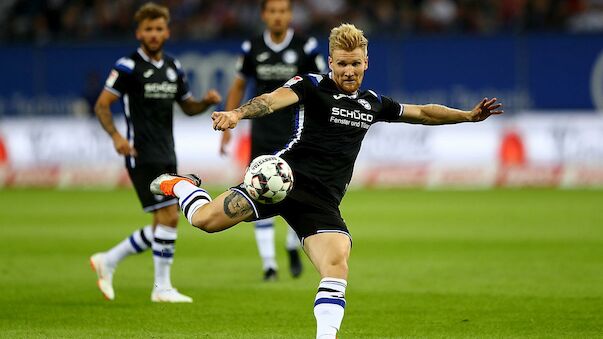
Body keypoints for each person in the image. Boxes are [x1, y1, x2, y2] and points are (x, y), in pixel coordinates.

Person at [150, 23, 502, 337]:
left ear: (366, 63)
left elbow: (423, 112)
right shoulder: (310, 85)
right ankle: (181, 185)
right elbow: (271, 101)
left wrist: (469, 116)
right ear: (331, 63)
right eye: (342, 63)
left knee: (337, 262)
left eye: (356, 63)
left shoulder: (372, 103)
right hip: (278, 182)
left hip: (321, 201)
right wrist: (236, 113)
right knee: (203, 221)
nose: (349, 71)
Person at [90, 2, 221, 303]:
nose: (154, 34)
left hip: (166, 153)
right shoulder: (128, 66)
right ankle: (161, 288)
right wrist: (116, 137)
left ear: (167, 32)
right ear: (139, 32)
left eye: (159, 29)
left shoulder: (173, 67)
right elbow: (101, 104)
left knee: (161, 222)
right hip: (141, 152)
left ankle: (108, 260)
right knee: (170, 217)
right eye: (148, 29)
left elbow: (187, 107)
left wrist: (205, 102)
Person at [220, 0, 326, 281]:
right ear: (265, 15)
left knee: (296, 191)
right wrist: (231, 120)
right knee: (258, 188)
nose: (278, 16)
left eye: (283, 11)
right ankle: (269, 265)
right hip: (263, 131)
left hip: (296, 131)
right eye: (273, 11)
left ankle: (292, 245)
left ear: (289, 15)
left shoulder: (305, 46)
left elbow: (321, 85)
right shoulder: (252, 47)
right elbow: (239, 85)